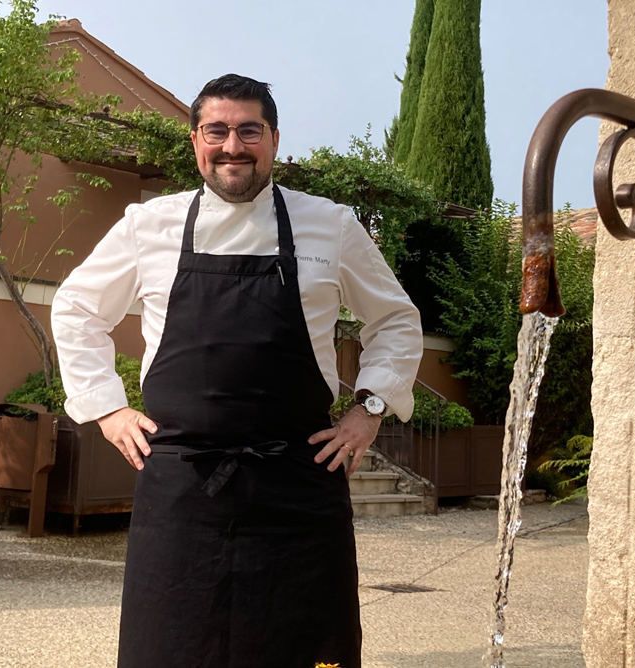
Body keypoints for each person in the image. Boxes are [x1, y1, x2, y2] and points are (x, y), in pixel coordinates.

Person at [51, 74, 423, 668]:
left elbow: (398, 321)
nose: (232, 146)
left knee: (309, 646)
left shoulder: (331, 225)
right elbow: (74, 308)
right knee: (169, 648)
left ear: (274, 139)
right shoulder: (149, 224)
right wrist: (106, 407)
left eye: (249, 130)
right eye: (216, 131)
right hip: (181, 486)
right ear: (195, 139)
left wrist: (370, 409)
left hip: (298, 483)